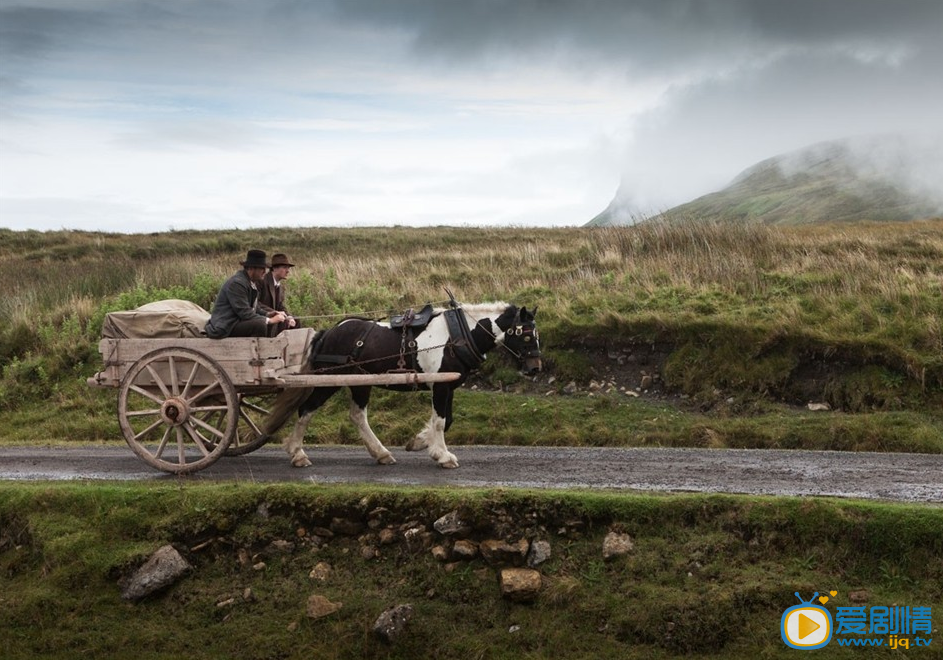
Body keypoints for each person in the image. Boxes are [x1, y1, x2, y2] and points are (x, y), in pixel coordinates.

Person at [204, 249, 286, 338]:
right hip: (225, 326)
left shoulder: (250, 282)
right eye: (261, 268)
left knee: (265, 322)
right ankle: (255, 351)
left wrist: (269, 314)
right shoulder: (237, 283)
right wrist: (269, 320)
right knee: (260, 325)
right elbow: (244, 312)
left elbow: (254, 308)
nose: (264, 272)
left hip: (235, 322)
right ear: (251, 268)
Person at [258, 253, 298, 337]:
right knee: (282, 321)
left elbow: (280, 306)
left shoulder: (279, 286)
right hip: (262, 318)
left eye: (288, 268)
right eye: (284, 268)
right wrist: (274, 313)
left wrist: (289, 316)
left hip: (275, 317)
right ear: (275, 268)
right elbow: (255, 303)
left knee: (295, 320)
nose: (287, 271)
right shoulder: (262, 281)